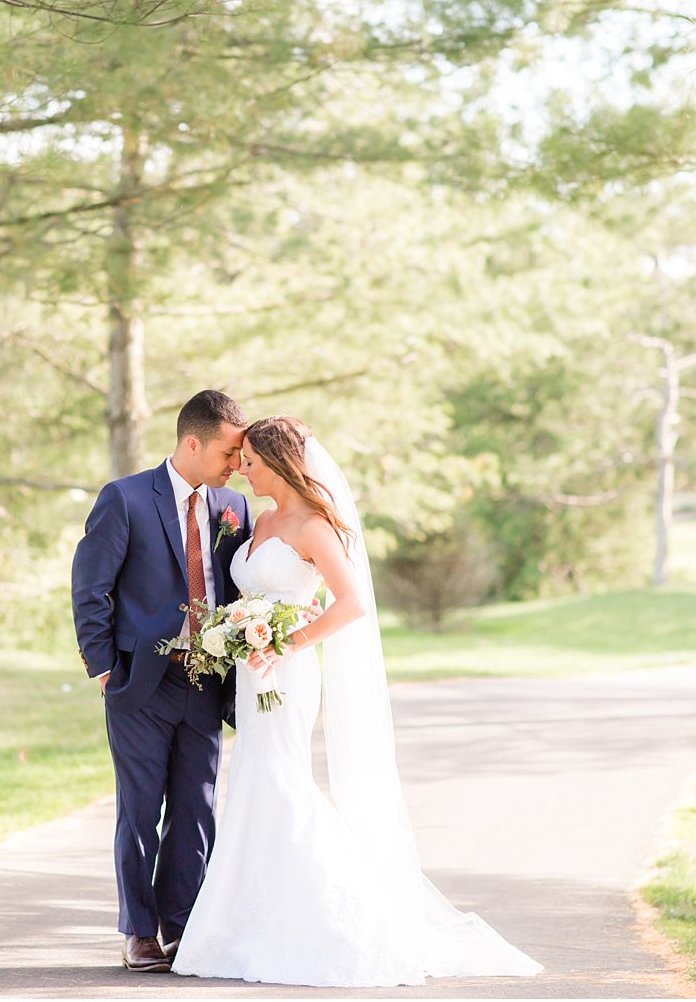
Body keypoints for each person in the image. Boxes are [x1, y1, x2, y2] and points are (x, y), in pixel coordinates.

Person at [171, 415, 542, 987]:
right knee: (251, 781)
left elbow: (350, 604)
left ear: (277, 464)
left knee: (279, 781)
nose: (241, 469)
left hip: (287, 674)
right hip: (252, 673)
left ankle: (341, 918)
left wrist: (283, 642)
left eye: (249, 461)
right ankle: (251, 923)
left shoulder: (315, 528)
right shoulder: (262, 520)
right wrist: (243, 633)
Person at [70, 390, 253, 973]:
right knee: (140, 808)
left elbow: (235, 590)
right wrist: (103, 668)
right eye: (228, 452)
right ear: (192, 443)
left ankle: (184, 926)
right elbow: (90, 587)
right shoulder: (124, 499)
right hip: (139, 682)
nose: (236, 465)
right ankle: (139, 930)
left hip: (206, 681)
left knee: (197, 809)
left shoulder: (234, 508)